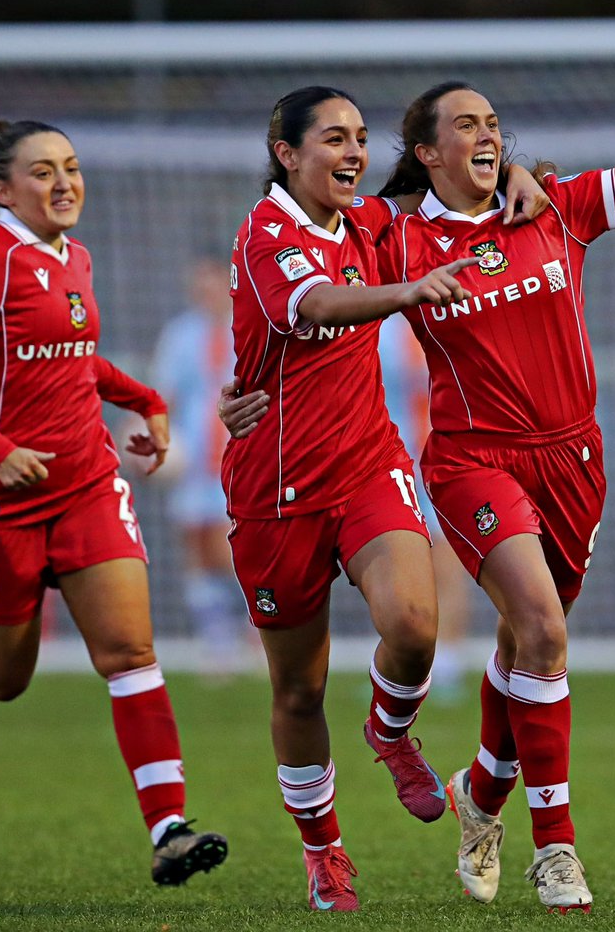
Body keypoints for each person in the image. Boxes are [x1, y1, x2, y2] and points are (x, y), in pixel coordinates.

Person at [225, 47, 615, 914]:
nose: (487, 136)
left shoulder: (553, 207)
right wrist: (251, 385)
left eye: (495, 126)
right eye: (466, 126)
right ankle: (556, 849)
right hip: (475, 460)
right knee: (542, 632)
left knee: (526, 648)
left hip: (574, 459)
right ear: (428, 152)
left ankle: (482, 794)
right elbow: (306, 281)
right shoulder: (394, 233)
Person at [0, 116, 228, 887]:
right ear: (2, 189)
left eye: (71, 167)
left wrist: (145, 399)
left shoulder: (76, 256)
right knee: (4, 679)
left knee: (130, 652)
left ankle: (170, 828)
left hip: (86, 485)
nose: (65, 182)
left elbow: (73, 359)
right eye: (44, 171)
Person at [221, 85, 513, 912]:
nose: (353, 153)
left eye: (359, 139)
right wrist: (406, 294)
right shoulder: (266, 235)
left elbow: (457, 182)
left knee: (416, 625)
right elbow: (315, 304)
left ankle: (388, 732)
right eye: (333, 140)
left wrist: (524, 173)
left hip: (363, 467)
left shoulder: (373, 224)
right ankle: (324, 853)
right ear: (287, 154)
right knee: (297, 692)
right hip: (274, 492)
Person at [150, 258, 257, 675]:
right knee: (196, 549)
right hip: (192, 460)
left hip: (241, 455)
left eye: (213, 282)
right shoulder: (180, 335)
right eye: (199, 283)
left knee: (228, 546)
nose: (206, 290)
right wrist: (154, 437)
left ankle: (258, 626)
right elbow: (165, 394)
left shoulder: (250, 326)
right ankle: (218, 641)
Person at [377, 317, 474, 699]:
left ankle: (447, 664)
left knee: (447, 563)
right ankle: (400, 669)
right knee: (395, 568)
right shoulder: (374, 320)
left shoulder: (443, 314)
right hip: (387, 462)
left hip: (441, 457)